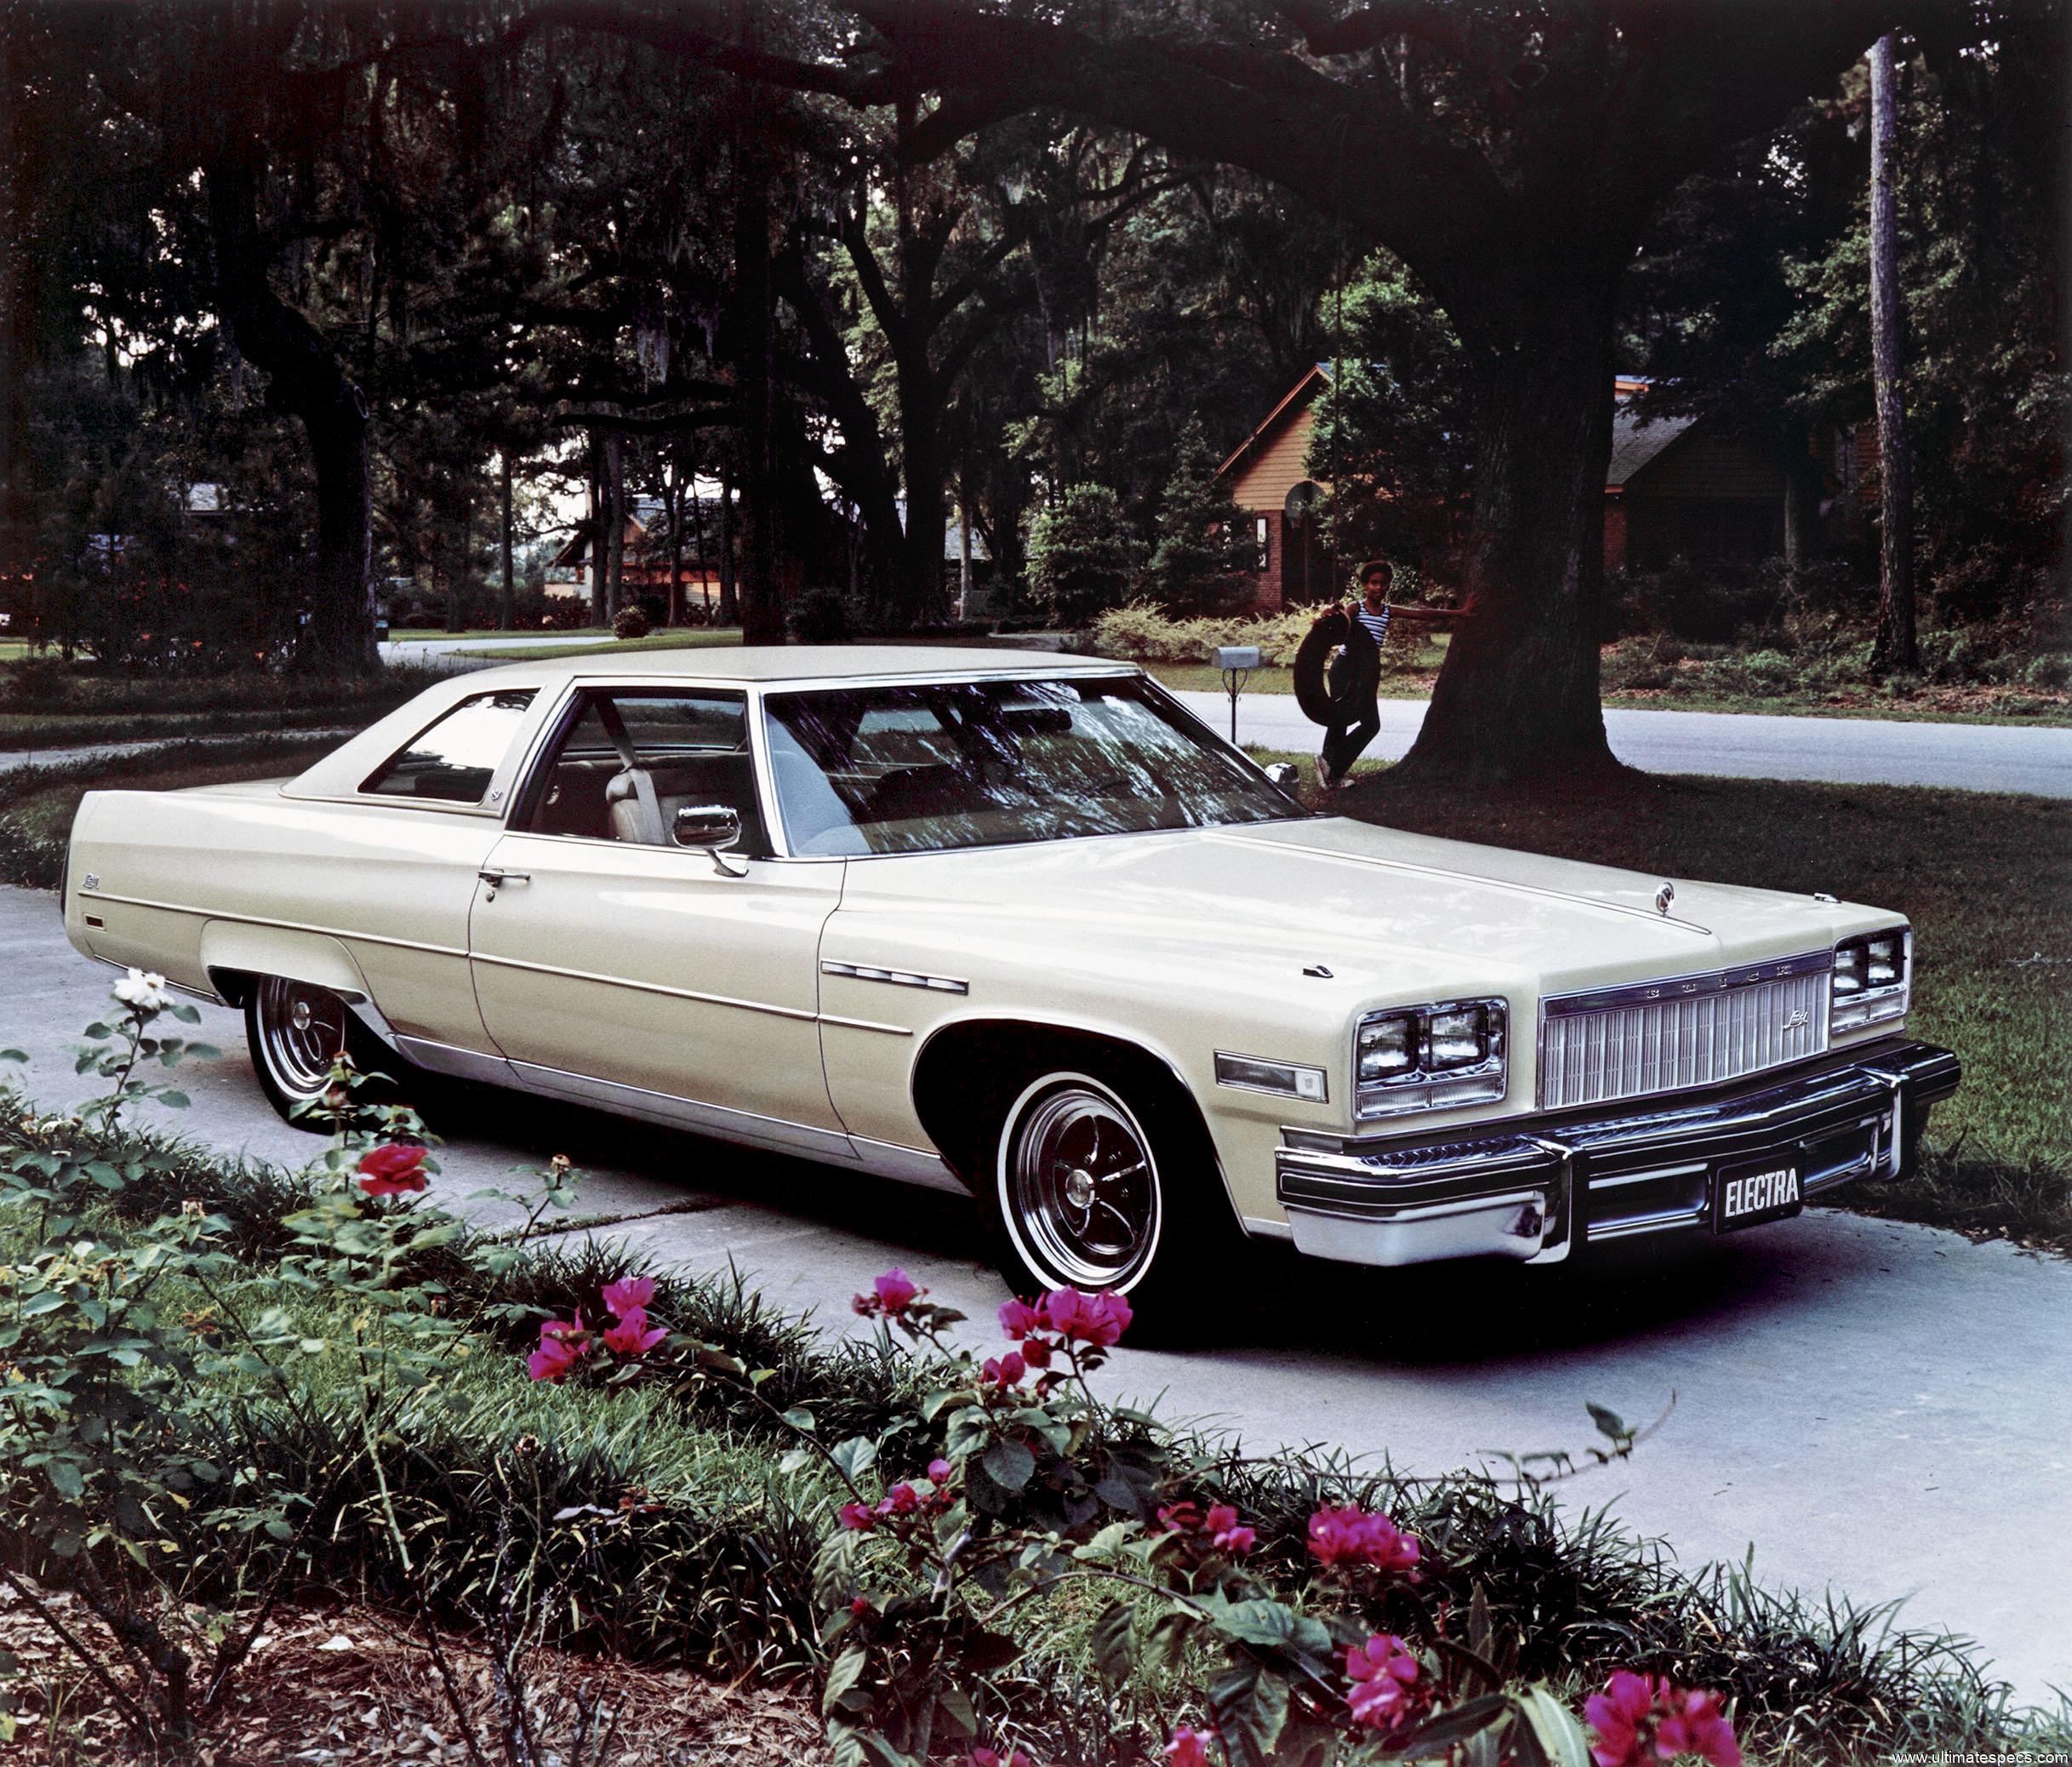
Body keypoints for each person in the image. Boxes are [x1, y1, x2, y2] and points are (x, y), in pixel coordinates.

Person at [1312, 559, 1471, 789]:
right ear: (1364, 585)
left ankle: (1330, 766)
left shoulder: (1387, 611)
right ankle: (1332, 774)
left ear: (1387, 587)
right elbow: (1341, 621)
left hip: (1365, 674)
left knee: (1371, 725)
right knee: (1340, 720)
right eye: (1373, 583)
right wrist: (1331, 614)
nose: (1378, 587)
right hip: (1345, 669)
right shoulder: (1355, 608)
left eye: (1383, 583)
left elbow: (1423, 614)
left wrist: (1459, 612)